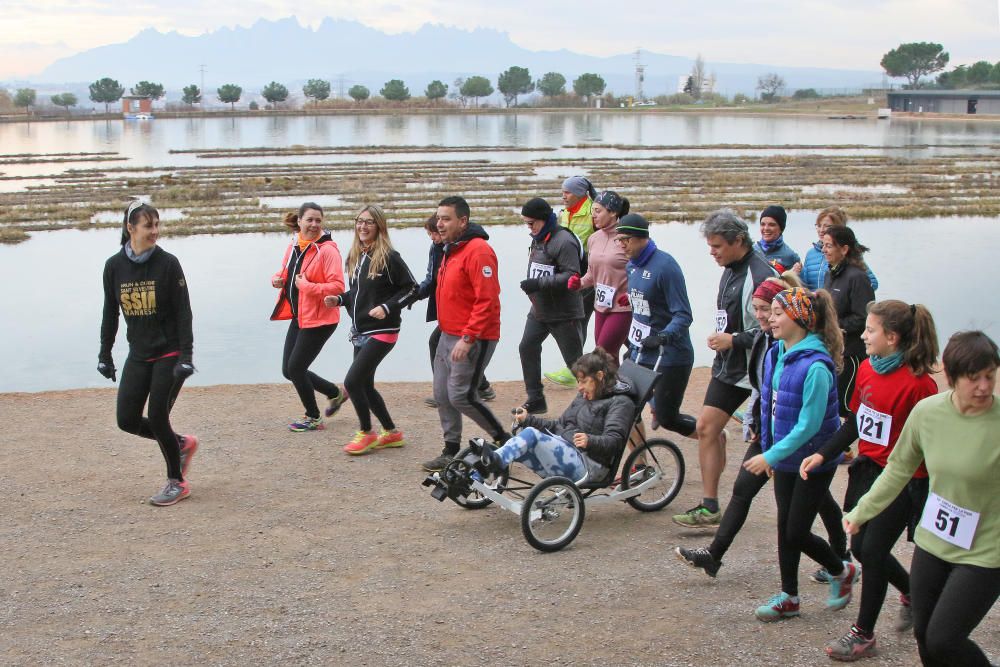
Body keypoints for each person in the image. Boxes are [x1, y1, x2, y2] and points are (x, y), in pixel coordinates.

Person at [675, 274, 848, 578]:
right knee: (745, 491)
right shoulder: (769, 345)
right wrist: (760, 429)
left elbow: (810, 420)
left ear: (792, 315)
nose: (760, 316)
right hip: (772, 435)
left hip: (802, 446)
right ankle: (716, 556)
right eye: (756, 309)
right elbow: (765, 393)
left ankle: (839, 558)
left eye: (767, 310)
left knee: (819, 504)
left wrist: (772, 453)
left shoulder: (810, 359)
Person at [843, 331, 1000, 666]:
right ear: (951, 373)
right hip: (935, 540)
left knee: (944, 640)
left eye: (990, 376)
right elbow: (898, 470)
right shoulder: (928, 413)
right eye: (974, 379)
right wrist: (861, 511)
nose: (985, 387)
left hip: (985, 551)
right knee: (925, 640)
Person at [798, 300, 939, 661]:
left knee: (873, 551)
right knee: (860, 548)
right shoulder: (866, 371)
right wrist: (823, 453)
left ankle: (863, 634)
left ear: (892, 337)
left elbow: (930, 445)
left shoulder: (920, 386)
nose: (863, 335)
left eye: (871, 330)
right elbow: (856, 422)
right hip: (867, 471)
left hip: (905, 479)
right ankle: (910, 591)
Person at [743, 287, 859, 621]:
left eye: (778, 313)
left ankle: (841, 570)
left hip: (813, 462)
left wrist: (770, 455)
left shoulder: (817, 368)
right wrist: (770, 450)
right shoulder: (779, 351)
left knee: (796, 531)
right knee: (784, 528)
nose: (770, 319)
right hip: (785, 459)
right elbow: (771, 405)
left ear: (800, 319)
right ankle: (789, 597)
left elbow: (809, 425)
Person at [673, 209, 776, 528]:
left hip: (754, 369)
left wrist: (733, 340)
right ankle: (709, 506)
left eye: (717, 246)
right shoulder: (730, 268)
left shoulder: (761, 274)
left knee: (761, 437)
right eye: (710, 246)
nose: (712, 252)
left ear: (738, 241)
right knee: (706, 428)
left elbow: (774, 326)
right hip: (726, 366)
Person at [98, 201, 198, 506]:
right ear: (131, 228)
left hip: (170, 352)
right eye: (148, 225)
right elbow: (110, 312)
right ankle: (180, 443)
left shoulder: (168, 264)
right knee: (126, 420)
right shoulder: (114, 266)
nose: (155, 231)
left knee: (157, 417)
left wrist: (186, 357)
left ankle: (176, 482)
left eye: (157, 225)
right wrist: (105, 353)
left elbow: (184, 312)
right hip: (139, 353)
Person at [422, 196, 509, 472]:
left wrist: (469, 337)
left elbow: (487, 299)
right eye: (439, 218)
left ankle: (504, 442)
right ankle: (450, 449)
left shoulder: (478, 250)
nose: (440, 223)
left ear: (463, 221)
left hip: (474, 336)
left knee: (461, 395)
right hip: (449, 333)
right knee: (442, 393)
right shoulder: (450, 249)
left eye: (446, 218)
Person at [323, 205, 416, 455]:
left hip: (384, 330)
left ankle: (366, 433)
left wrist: (387, 307)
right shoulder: (357, 255)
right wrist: (340, 300)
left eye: (369, 222)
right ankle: (392, 433)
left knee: (353, 382)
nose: (363, 227)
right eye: (359, 221)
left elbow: (411, 288)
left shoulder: (389, 256)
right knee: (365, 385)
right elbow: (358, 293)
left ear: (379, 227)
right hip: (360, 331)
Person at [477, 348, 633, 483]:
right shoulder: (585, 395)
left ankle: (493, 462)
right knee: (524, 442)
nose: (579, 388)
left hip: (589, 465)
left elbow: (615, 441)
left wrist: (589, 441)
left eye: (584, 381)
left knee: (530, 435)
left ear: (600, 376)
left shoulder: (620, 403)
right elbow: (558, 426)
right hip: (568, 450)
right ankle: (477, 472)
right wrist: (528, 419)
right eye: (578, 381)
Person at [613, 213, 697, 438]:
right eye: (618, 240)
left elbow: (683, 315)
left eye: (626, 240)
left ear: (642, 238)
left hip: (670, 354)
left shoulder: (666, 267)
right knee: (622, 407)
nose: (622, 245)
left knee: (668, 418)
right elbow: (645, 307)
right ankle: (639, 465)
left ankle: (712, 434)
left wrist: (662, 336)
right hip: (640, 349)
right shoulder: (631, 266)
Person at [270, 202, 347, 432]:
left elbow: (338, 287)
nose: (314, 224)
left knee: (296, 368)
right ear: (300, 221)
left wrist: (307, 286)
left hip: (321, 320)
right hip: (299, 316)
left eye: (318, 220)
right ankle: (335, 393)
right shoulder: (295, 244)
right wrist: (277, 279)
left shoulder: (328, 250)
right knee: (288, 370)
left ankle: (313, 417)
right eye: (310, 220)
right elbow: (285, 271)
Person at [406, 214, 495, 408]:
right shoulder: (437, 249)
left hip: (465, 313)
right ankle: (482, 387)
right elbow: (432, 279)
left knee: (443, 344)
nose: (432, 238)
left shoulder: (471, 249)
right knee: (446, 346)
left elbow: (485, 294)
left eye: (434, 233)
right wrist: (415, 294)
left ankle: (450, 391)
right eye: (430, 233)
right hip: (449, 310)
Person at [517, 197, 584, 415]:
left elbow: (572, 275)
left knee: (576, 363)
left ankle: (598, 399)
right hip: (539, 310)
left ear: (544, 220)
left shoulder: (564, 241)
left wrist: (538, 283)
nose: (529, 227)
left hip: (563, 313)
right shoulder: (538, 237)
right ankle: (535, 398)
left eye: (531, 223)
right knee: (527, 347)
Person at [545, 175, 597, 388]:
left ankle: (574, 368)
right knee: (576, 319)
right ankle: (576, 366)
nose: (563, 196)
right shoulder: (564, 213)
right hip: (570, 273)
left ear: (580, 193)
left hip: (589, 274)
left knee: (579, 320)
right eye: (563, 192)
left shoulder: (594, 211)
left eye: (567, 192)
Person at [572, 190, 631, 365]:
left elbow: (640, 271)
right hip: (601, 306)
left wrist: (632, 295)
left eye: (598, 211)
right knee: (610, 358)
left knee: (601, 352)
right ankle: (615, 391)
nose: (593, 216)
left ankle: (594, 391)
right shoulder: (593, 239)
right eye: (592, 212)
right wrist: (579, 284)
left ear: (613, 212)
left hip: (623, 308)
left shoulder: (627, 238)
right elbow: (592, 274)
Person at [822, 225, 876, 418]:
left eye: (829, 246)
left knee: (844, 408)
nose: (824, 250)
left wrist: (834, 327)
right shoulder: (831, 274)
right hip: (834, 350)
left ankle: (844, 448)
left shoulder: (858, 277)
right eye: (823, 245)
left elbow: (864, 318)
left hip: (852, 355)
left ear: (844, 249)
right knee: (832, 405)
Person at [798, 206, 878, 292]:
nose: (821, 230)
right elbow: (806, 286)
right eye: (819, 225)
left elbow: (872, 283)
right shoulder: (811, 254)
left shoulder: (847, 253)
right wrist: (799, 274)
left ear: (839, 228)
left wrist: (842, 296)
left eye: (827, 226)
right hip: (815, 305)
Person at [754, 205, 800, 273]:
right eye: (762, 224)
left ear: (781, 228)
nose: (766, 228)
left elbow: (798, 282)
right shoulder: (751, 251)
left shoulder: (790, 256)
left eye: (771, 225)